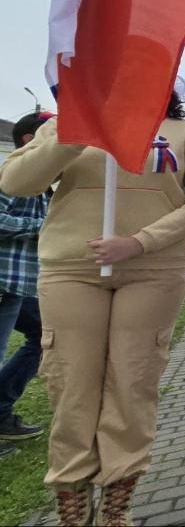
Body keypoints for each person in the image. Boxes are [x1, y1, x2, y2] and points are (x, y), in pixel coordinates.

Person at [0, 85, 185, 526]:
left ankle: (118, 500)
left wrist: (140, 242)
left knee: (132, 384)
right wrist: (80, 133)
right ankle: (72, 499)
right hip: (72, 268)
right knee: (71, 385)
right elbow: (17, 181)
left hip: (153, 270)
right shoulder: (66, 127)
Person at [0, 112, 53, 447]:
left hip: (19, 286)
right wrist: (42, 229)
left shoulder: (44, 188)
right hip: (2, 283)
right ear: (29, 141)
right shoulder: (12, 177)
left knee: (46, 336)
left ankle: (2, 409)